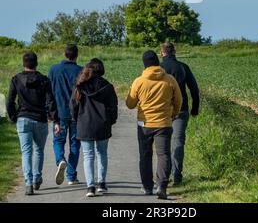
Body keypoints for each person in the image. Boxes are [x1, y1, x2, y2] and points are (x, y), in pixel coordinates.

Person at [126, 50, 182, 200]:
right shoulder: (169, 79)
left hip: (144, 124)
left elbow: (130, 104)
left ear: (144, 64)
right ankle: (162, 186)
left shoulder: (139, 81)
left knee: (145, 155)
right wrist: (173, 113)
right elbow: (178, 100)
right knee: (163, 155)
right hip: (164, 123)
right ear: (157, 62)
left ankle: (147, 187)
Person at [6, 51, 60, 196]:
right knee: (38, 151)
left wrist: (13, 116)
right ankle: (37, 178)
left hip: (23, 119)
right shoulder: (44, 80)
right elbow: (50, 101)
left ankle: (28, 183)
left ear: (23, 64)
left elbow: (9, 101)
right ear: (36, 63)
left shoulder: (16, 79)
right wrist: (55, 119)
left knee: (26, 152)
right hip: (40, 119)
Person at [70, 58, 118, 197]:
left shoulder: (80, 85)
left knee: (88, 155)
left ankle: (90, 186)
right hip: (102, 124)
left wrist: (75, 120)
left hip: (84, 124)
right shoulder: (107, 86)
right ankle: (101, 183)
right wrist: (111, 120)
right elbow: (113, 106)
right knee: (102, 153)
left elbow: (73, 105)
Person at [160, 42, 200, 186]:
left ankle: (164, 176)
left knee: (163, 143)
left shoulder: (158, 68)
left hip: (162, 111)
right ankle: (177, 176)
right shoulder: (183, 67)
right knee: (178, 141)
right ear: (174, 52)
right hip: (181, 109)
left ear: (162, 53)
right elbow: (194, 90)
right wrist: (195, 109)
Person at [48, 44, 82, 185]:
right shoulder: (81, 71)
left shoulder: (54, 70)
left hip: (59, 113)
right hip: (76, 114)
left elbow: (49, 93)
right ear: (76, 55)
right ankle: (71, 176)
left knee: (58, 140)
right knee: (75, 143)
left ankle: (60, 160)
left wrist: (51, 114)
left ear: (64, 54)